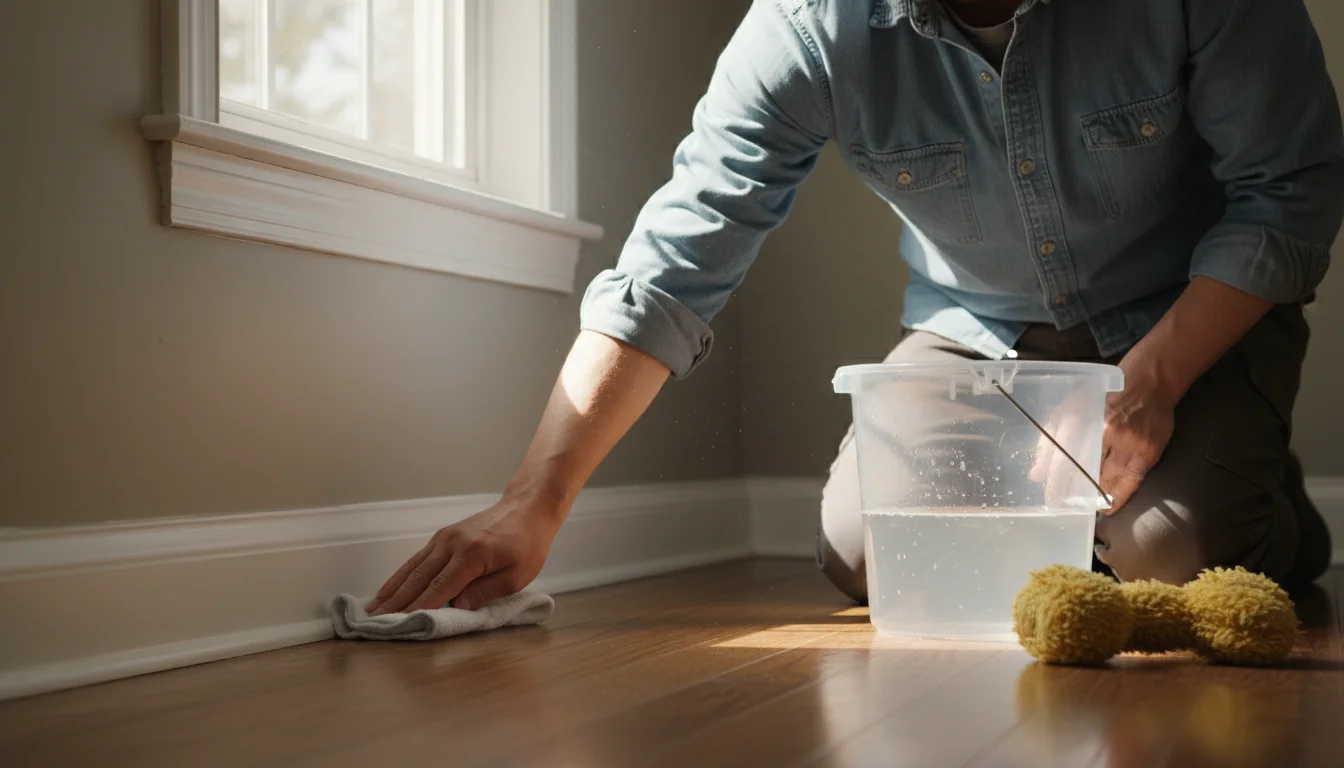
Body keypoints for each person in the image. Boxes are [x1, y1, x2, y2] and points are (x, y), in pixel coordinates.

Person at [365, 0, 1344, 615]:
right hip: (976, 339)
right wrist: (535, 503)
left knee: (1170, 551)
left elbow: (1291, 191)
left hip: (1185, 329)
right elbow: (677, 256)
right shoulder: (808, 25)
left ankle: (1268, 516)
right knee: (868, 551)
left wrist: (1154, 382)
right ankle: (1095, 542)